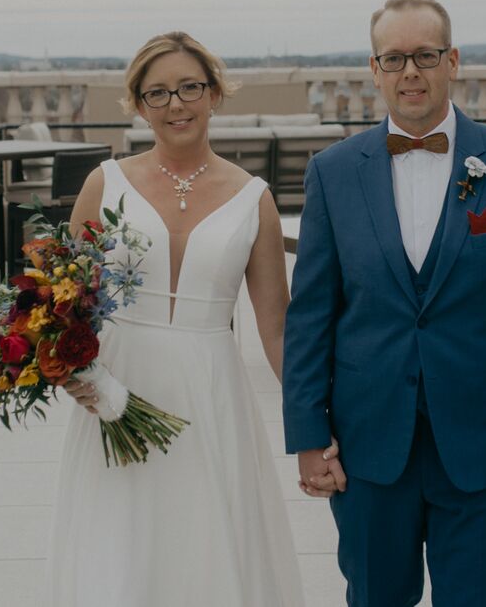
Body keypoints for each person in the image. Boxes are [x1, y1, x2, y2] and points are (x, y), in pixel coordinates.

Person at [282, 0, 486, 607]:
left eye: (425, 55)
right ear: (374, 69)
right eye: (394, 58)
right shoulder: (333, 172)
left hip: (485, 448)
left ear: (453, 61)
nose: (409, 72)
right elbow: (310, 316)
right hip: (367, 447)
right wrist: (308, 435)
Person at [46, 31, 305, 606]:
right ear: (139, 104)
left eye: (189, 87)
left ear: (214, 93)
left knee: (206, 546)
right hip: (117, 392)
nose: (175, 104)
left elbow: (277, 328)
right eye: (157, 93)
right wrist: (73, 371)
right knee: (120, 547)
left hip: (212, 397)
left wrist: (318, 418)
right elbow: (62, 303)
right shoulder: (104, 183)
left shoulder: (254, 197)